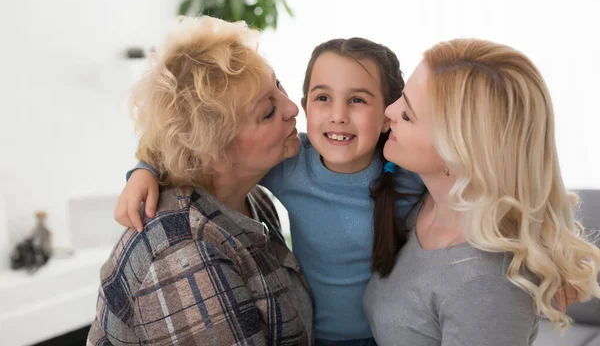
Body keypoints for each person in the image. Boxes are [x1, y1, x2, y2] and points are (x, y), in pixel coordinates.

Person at [115, 37, 425, 344]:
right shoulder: (290, 166)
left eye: (357, 100)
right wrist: (146, 169)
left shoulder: (408, 172)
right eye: (322, 98)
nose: (338, 115)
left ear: (388, 115)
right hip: (319, 337)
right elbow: (189, 141)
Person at [87, 16, 313, 345]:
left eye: (278, 86)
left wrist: (145, 166)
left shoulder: (253, 200)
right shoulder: (185, 254)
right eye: (267, 111)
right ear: (214, 148)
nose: (294, 108)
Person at [363, 38, 600, 345]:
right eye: (401, 98)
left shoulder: (484, 284)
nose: (389, 111)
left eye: (408, 115)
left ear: (457, 153)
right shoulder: (423, 195)